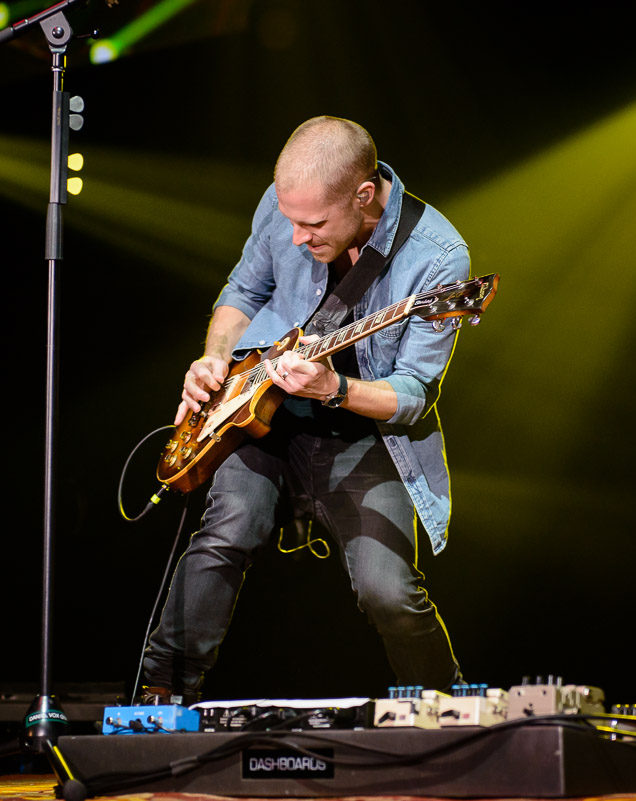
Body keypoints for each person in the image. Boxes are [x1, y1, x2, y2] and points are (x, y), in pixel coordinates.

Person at [141, 116, 469, 704]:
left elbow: (414, 395)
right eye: (290, 220)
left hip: (366, 433)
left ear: (363, 196)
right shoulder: (287, 200)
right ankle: (158, 698)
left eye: (313, 225)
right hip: (265, 416)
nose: (297, 237)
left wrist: (332, 389)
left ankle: (449, 710)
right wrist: (215, 361)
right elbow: (243, 291)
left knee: (386, 590)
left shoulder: (438, 256)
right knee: (226, 531)